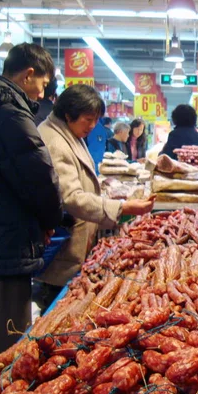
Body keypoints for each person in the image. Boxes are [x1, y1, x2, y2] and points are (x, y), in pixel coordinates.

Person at [0, 43, 63, 376]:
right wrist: (52, 219)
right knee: (7, 354)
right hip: (3, 251)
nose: (43, 92)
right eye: (43, 83)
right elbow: (39, 180)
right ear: (28, 75)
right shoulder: (8, 114)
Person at [37, 85, 155, 308]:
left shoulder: (69, 132)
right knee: (57, 310)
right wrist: (122, 207)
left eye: (96, 120)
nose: (93, 126)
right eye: (88, 119)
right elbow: (71, 197)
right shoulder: (54, 142)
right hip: (63, 249)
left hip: (76, 245)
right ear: (69, 114)